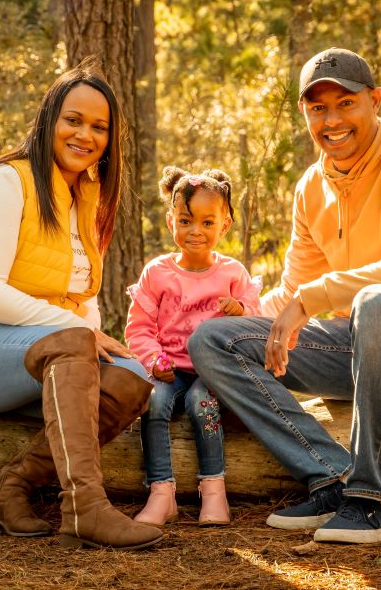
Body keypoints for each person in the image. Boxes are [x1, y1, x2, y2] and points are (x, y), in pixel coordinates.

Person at [188, 48, 381, 544]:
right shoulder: (312, 185)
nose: (332, 120)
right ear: (304, 114)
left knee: (378, 302)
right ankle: (330, 476)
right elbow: (293, 292)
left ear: (375, 101)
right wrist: (237, 313)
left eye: (346, 103)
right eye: (318, 108)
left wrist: (313, 298)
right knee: (213, 340)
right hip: (365, 348)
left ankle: (371, 500)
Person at [0, 58, 163, 550]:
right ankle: (86, 508)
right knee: (74, 340)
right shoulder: (4, 182)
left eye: (99, 126)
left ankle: (13, 486)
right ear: (49, 119)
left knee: (133, 377)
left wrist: (98, 341)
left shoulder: (86, 198)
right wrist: (80, 334)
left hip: (33, 352)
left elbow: (78, 300)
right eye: (73, 119)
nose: (85, 135)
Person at [125, 166, 262, 527]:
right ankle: (161, 492)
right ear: (172, 222)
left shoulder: (233, 274)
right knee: (152, 401)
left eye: (206, 222)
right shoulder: (157, 273)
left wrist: (242, 309)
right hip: (168, 370)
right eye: (186, 221)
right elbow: (139, 329)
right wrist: (154, 360)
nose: (195, 231)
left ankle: (214, 491)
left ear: (225, 225)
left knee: (203, 404)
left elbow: (256, 326)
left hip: (211, 372)